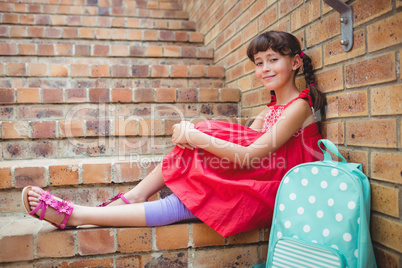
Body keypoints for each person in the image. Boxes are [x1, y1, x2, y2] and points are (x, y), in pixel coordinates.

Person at [22, 31, 326, 237]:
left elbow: (250, 156)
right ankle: (127, 198)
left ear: (296, 62)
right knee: (203, 157)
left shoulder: (300, 106)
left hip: (278, 192)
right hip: (261, 181)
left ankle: (78, 214)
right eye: (259, 63)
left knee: (192, 185)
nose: (264, 69)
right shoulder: (268, 111)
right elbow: (238, 152)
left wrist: (196, 135)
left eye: (273, 60)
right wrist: (197, 140)